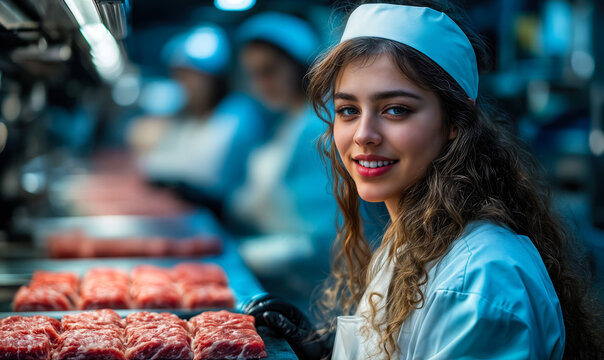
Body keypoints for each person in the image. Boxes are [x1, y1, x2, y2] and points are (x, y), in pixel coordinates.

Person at [243, 1, 603, 359]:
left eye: (396, 109)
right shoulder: (412, 239)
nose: (363, 134)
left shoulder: (479, 281)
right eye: (348, 110)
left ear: (454, 123)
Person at [226, 13, 337, 270]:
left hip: (316, 286)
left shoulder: (318, 127)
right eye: (252, 74)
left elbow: (325, 239)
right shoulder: (286, 121)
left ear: (301, 65)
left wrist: (242, 257)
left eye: (270, 70)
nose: (261, 84)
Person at [130, 24, 266, 213]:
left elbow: (205, 175)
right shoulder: (192, 118)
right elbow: (160, 160)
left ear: (212, 78)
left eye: (189, 76)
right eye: (178, 76)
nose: (183, 85)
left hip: (225, 218)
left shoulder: (237, 113)